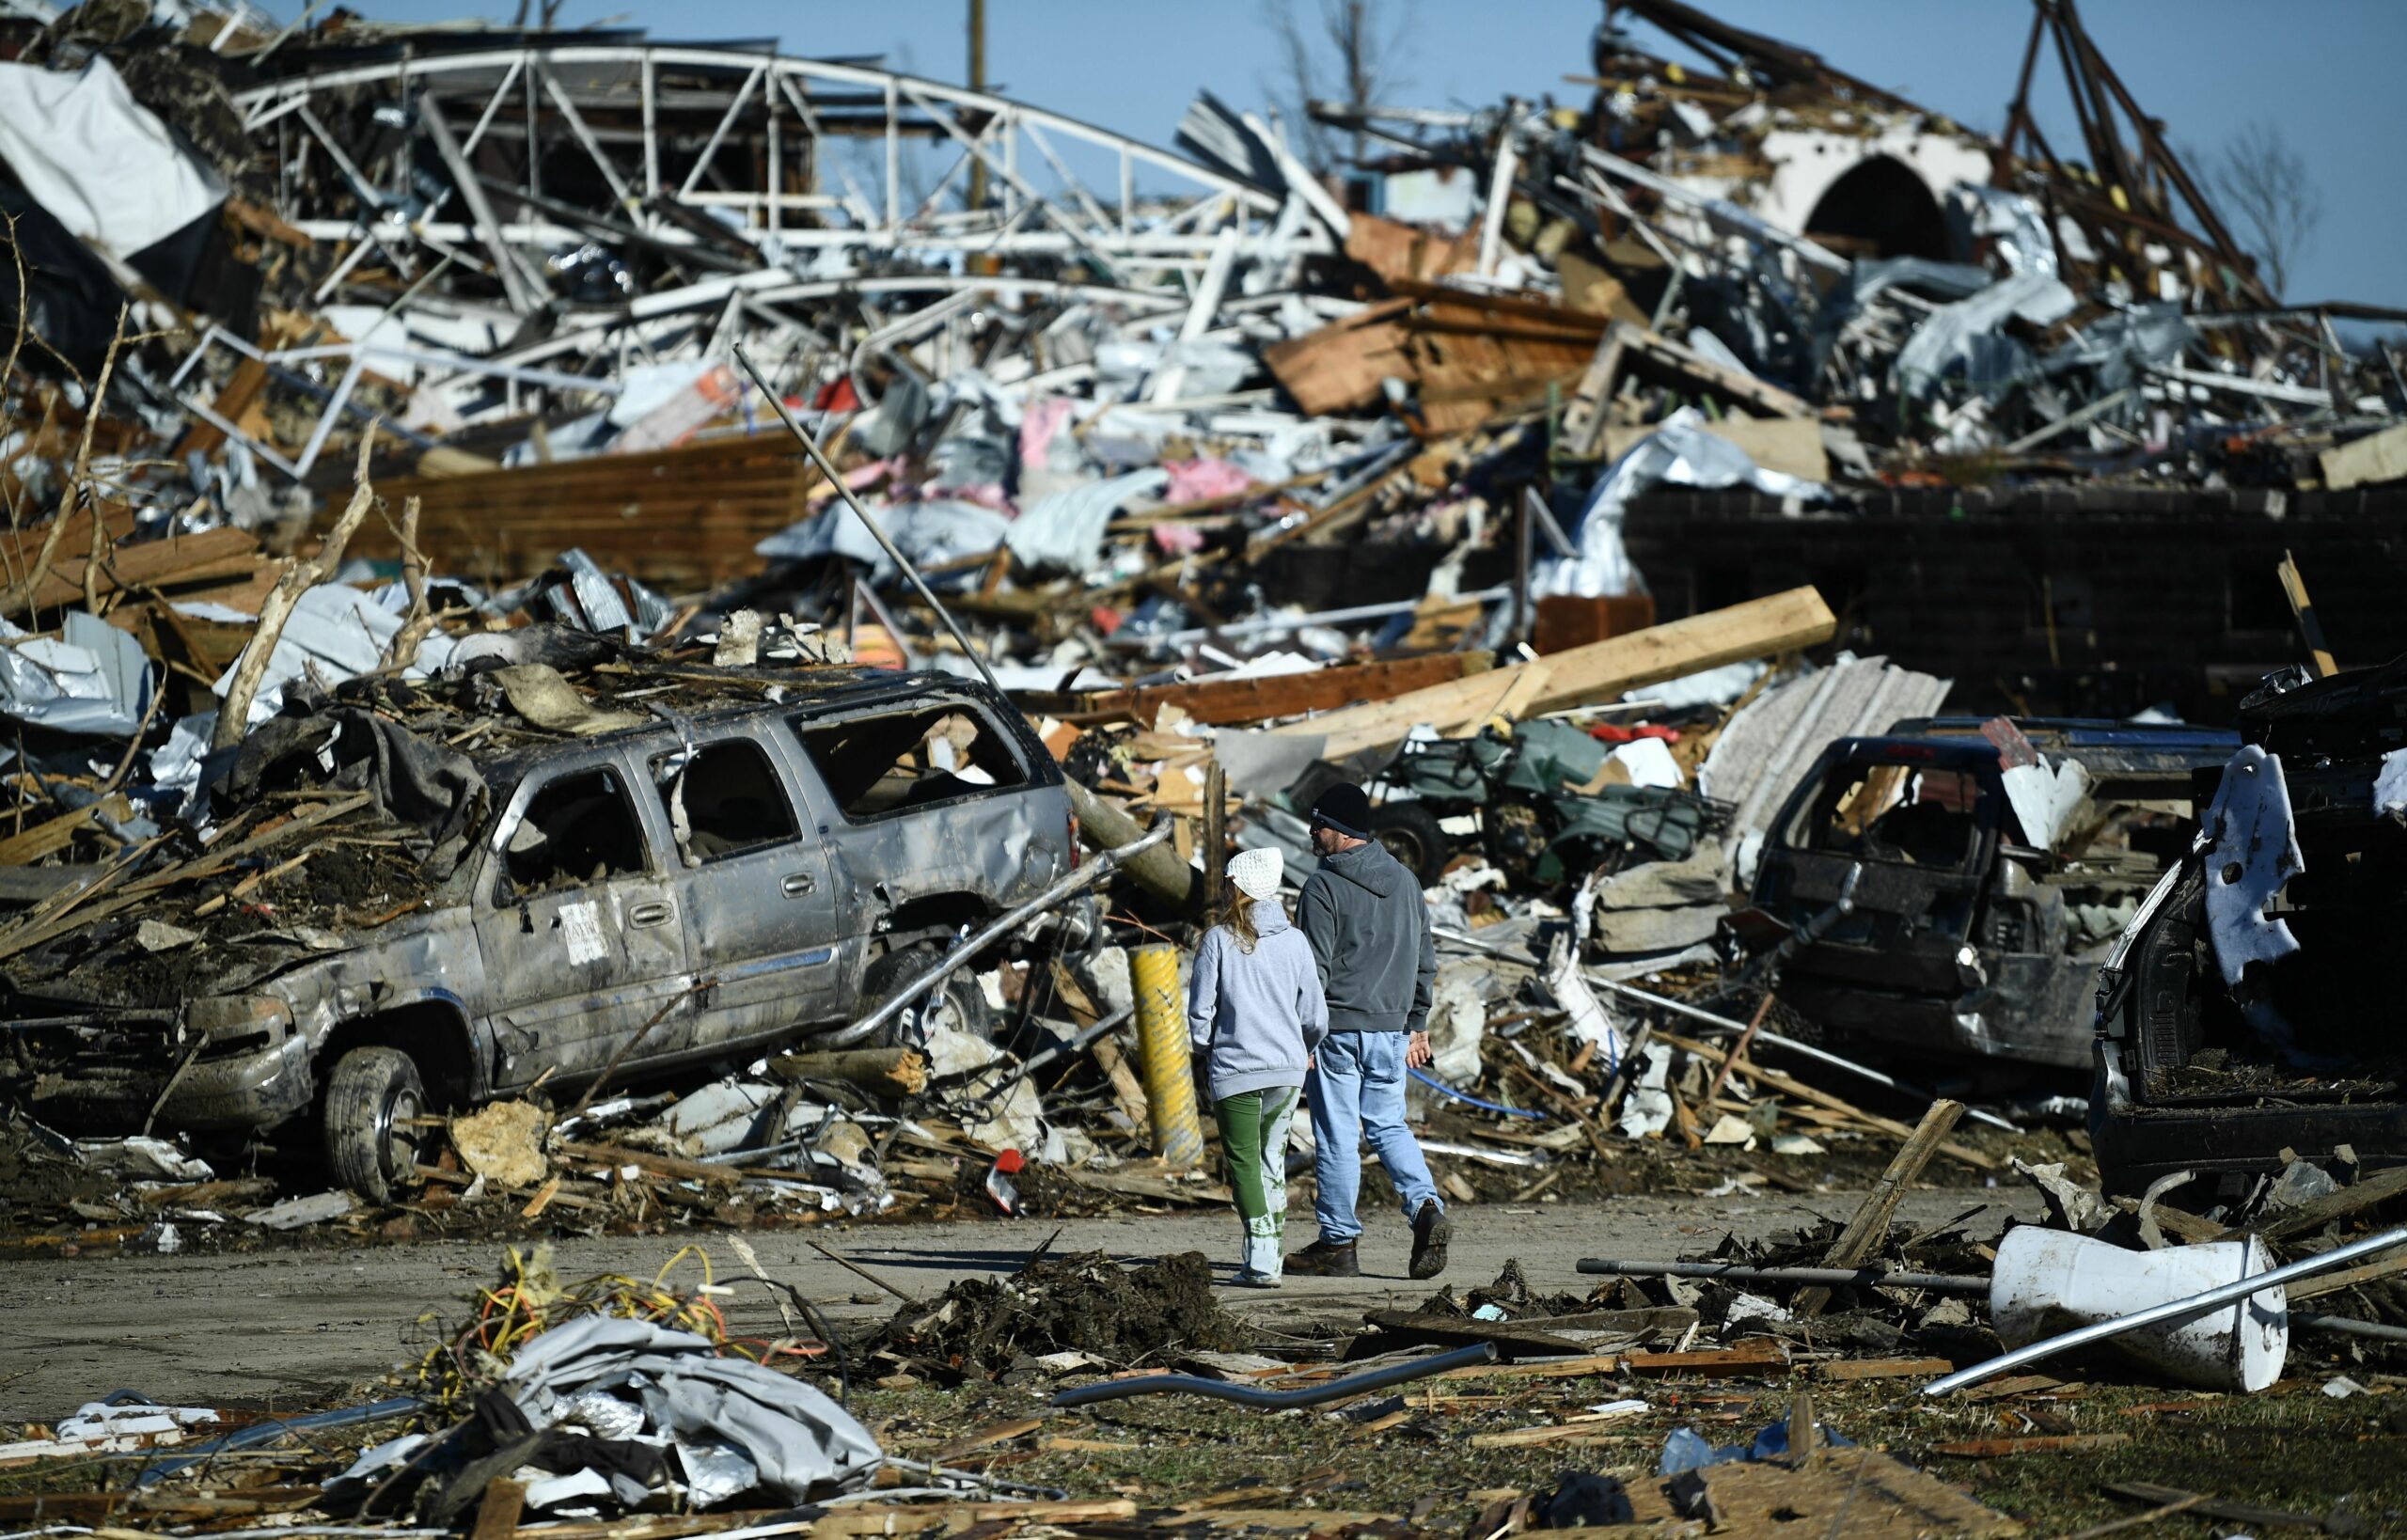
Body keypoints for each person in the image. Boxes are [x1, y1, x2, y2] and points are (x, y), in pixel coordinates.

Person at [1287, 781, 1452, 1280]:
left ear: (1339, 831)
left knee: (1337, 1136)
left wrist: (1304, 1033)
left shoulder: (1323, 886)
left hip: (1337, 1029)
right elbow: (1426, 959)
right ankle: (1424, 1206)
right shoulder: (1405, 880)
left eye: (1318, 825)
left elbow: (1311, 969)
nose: (1313, 833)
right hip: (1391, 1031)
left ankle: (1338, 1243)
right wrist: (1416, 1023)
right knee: (1388, 1125)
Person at [1188, 846, 1328, 1287]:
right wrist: (1302, 1046)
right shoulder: (1296, 941)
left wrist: (1209, 1048)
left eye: (1230, 881)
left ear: (1240, 887)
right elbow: (1316, 1017)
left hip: (1237, 1070)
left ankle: (1264, 1260)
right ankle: (1266, 1254)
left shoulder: (1218, 941)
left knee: (1245, 1163)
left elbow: (1199, 1015)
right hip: (1288, 1070)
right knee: (1271, 1160)